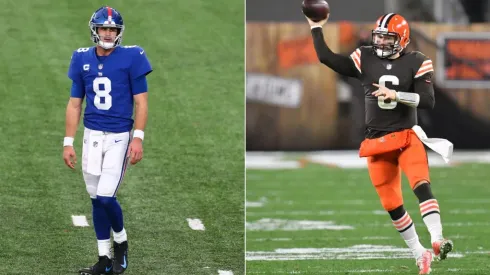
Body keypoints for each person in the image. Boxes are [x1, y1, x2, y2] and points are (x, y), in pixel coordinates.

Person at [305, 13, 453, 274]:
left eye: (388, 37)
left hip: (407, 137)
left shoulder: (418, 61)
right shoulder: (366, 57)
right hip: (377, 141)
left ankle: (438, 239)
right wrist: (316, 27)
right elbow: (327, 58)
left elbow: (427, 100)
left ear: (403, 39)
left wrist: (396, 95)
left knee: (421, 185)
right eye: (380, 36)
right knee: (392, 205)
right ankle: (420, 254)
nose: (382, 42)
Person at [63, 6, 152, 275]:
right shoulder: (81, 59)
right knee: (94, 198)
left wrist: (138, 138)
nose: (109, 33)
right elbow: (74, 104)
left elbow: (141, 102)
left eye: (113, 29)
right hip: (92, 136)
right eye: (104, 28)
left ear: (119, 32)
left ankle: (121, 242)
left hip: (119, 137)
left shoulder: (133, 56)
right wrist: (68, 141)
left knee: (105, 196)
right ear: (95, 30)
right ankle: (103, 258)